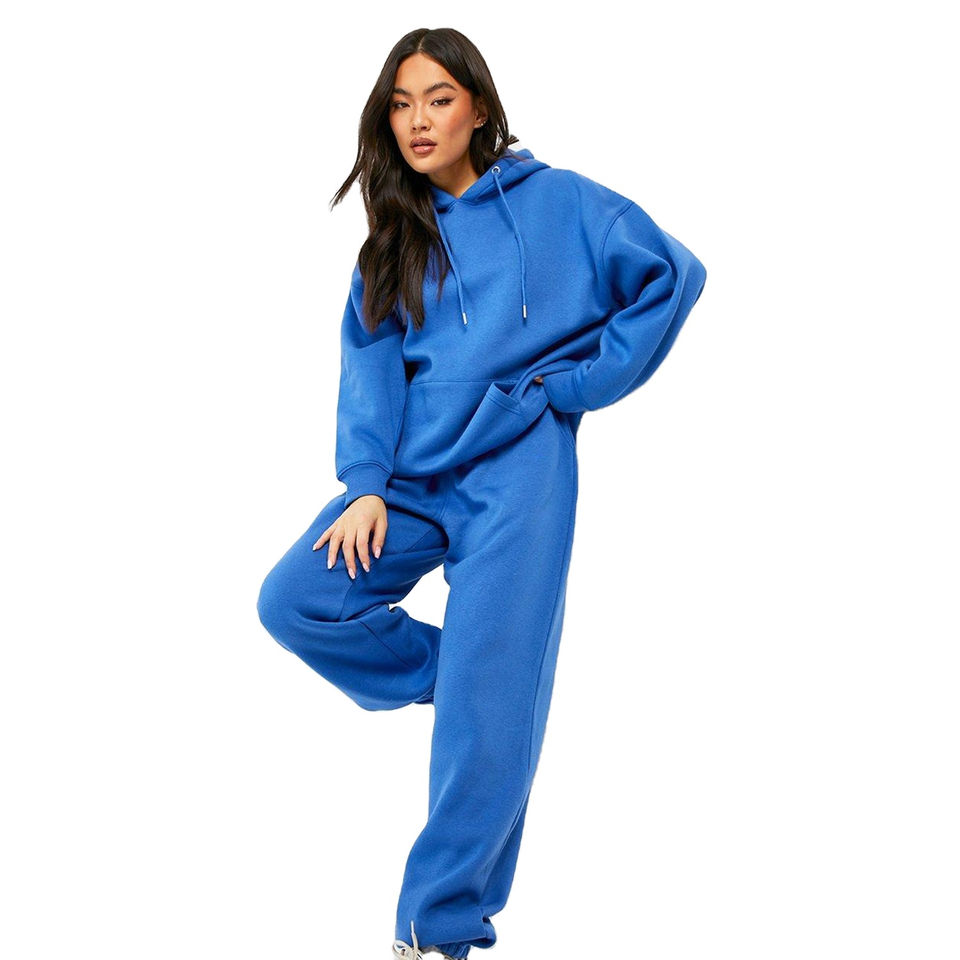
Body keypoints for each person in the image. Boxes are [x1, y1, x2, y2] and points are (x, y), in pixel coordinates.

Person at [257, 26, 707, 960]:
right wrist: (365, 485)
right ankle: (477, 683)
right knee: (296, 600)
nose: (418, 121)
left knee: (487, 715)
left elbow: (671, 275)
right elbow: (369, 372)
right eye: (400, 104)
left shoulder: (560, 203)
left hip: (519, 472)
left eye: (438, 99)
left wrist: (573, 388)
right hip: (412, 479)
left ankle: (435, 933)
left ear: (480, 107)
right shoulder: (392, 241)